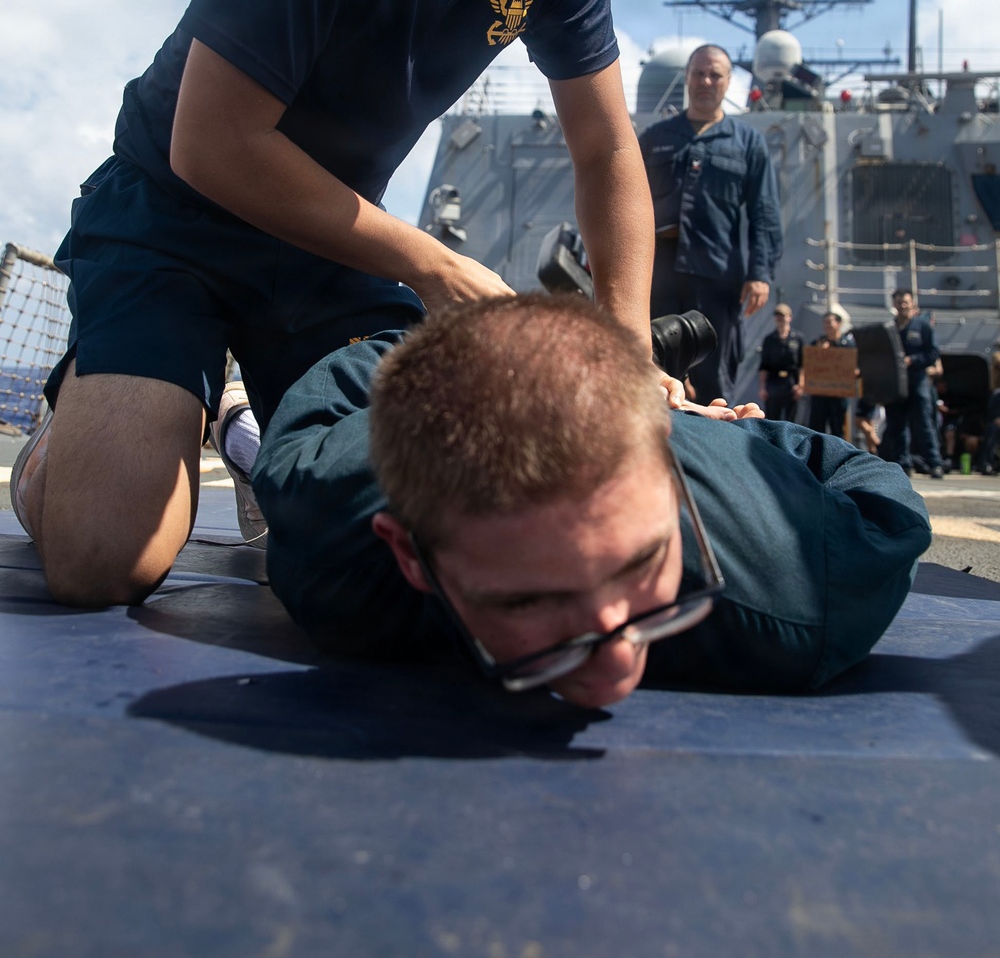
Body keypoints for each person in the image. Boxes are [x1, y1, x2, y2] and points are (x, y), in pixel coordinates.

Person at [12, 0, 695, 604]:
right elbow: (210, 144)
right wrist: (432, 264)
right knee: (105, 559)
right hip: (175, 214)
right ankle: (75, 427)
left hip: (331, 248)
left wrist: (629, 354)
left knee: (436, 532)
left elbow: (606, 148)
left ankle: (250, 429)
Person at [250, 294, 931, 710]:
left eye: (642, 564)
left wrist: (747, 435)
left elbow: (872, 485)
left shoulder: (801, 592)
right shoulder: (328, 533)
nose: (613, 671)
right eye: (527, 601)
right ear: (409, 554)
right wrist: (490, 340)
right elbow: (361, 368)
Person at [639, 45, 783, 404]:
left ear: (728, 81)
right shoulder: (655, 139)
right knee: (649, 372)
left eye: (715, 74)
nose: (706, 81)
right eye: (699, 73)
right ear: (686, 77)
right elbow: (625, 201)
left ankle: (715, 455)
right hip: (657, 275)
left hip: (718, 279)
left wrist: (760, 273)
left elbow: (764, 212)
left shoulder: (749, 143)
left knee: (716, 379)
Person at [880, 288, 944, 479]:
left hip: (917, 382)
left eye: (906, 302)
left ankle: (935, 463)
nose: (902, 306)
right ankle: (903, 464)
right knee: (897, 425)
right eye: (899, 302)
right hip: (896, 385)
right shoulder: (889, 328)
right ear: (894, 305)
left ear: (912, 304)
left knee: (924, 424)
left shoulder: (922, 327)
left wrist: (912, 360)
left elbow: (933, 353)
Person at [806, 309, 855, 437]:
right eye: (825, 323)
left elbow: (853, 366)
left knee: (838, 427)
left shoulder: (847, 344)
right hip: (820, 392)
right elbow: (809, 363)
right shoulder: (818, 342)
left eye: (830, 322)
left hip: (838, 393)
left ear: (838, 324)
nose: (827, 326)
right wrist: (820, 352)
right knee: (816, 427)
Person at [757, 302, 803, 421]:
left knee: (791, 420)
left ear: (789, 317)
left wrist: (800, 385)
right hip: (774, 382)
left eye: (783, 315)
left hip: (791, 382)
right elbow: (764, 365)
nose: (780, 318)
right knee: (772, 418)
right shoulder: (769, 339)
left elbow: (802, 364)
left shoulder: (797, 338)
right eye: (777, 315)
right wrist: (763, 387)